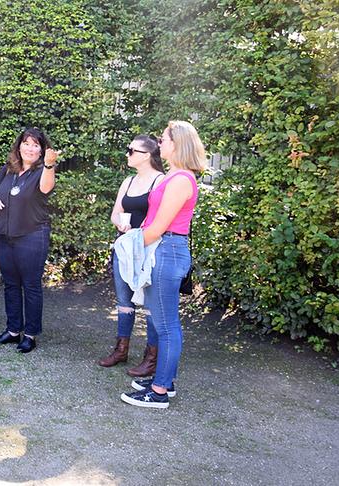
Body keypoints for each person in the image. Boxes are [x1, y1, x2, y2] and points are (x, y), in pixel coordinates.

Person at [120, 120, 206, 409]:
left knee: (167, 325)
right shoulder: (174, 176)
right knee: (160, 321)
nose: (160, 143)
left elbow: (158, 228)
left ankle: (158, 391)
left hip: (166, 249)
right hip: (162, 249)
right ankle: (164, 381)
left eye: (164, 139)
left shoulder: (182, 180)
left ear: (177, 144)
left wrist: (129, 244)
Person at [0, 128, 58, 353]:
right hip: (6, 236)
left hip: (32, 236)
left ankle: (30, 334)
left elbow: (46, 188)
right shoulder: (8, 169)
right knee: (10, 285)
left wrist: (48, 165)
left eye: (36, 145)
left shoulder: (43, 171)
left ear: (42, 150)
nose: (30, 148)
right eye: (26, 143)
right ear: (19, 146)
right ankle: (13, 330)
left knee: (31, 286)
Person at [98, 135, 163, 370]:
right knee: (124, 300)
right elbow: (116, 212)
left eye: (131, 150)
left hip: (148, 249)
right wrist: (119, 224)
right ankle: (121, 350)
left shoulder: (160, 181)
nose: (127, 154)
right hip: (124, 247)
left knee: (150, 303)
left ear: (147, 155)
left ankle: (151, 357)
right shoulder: (128, 181)